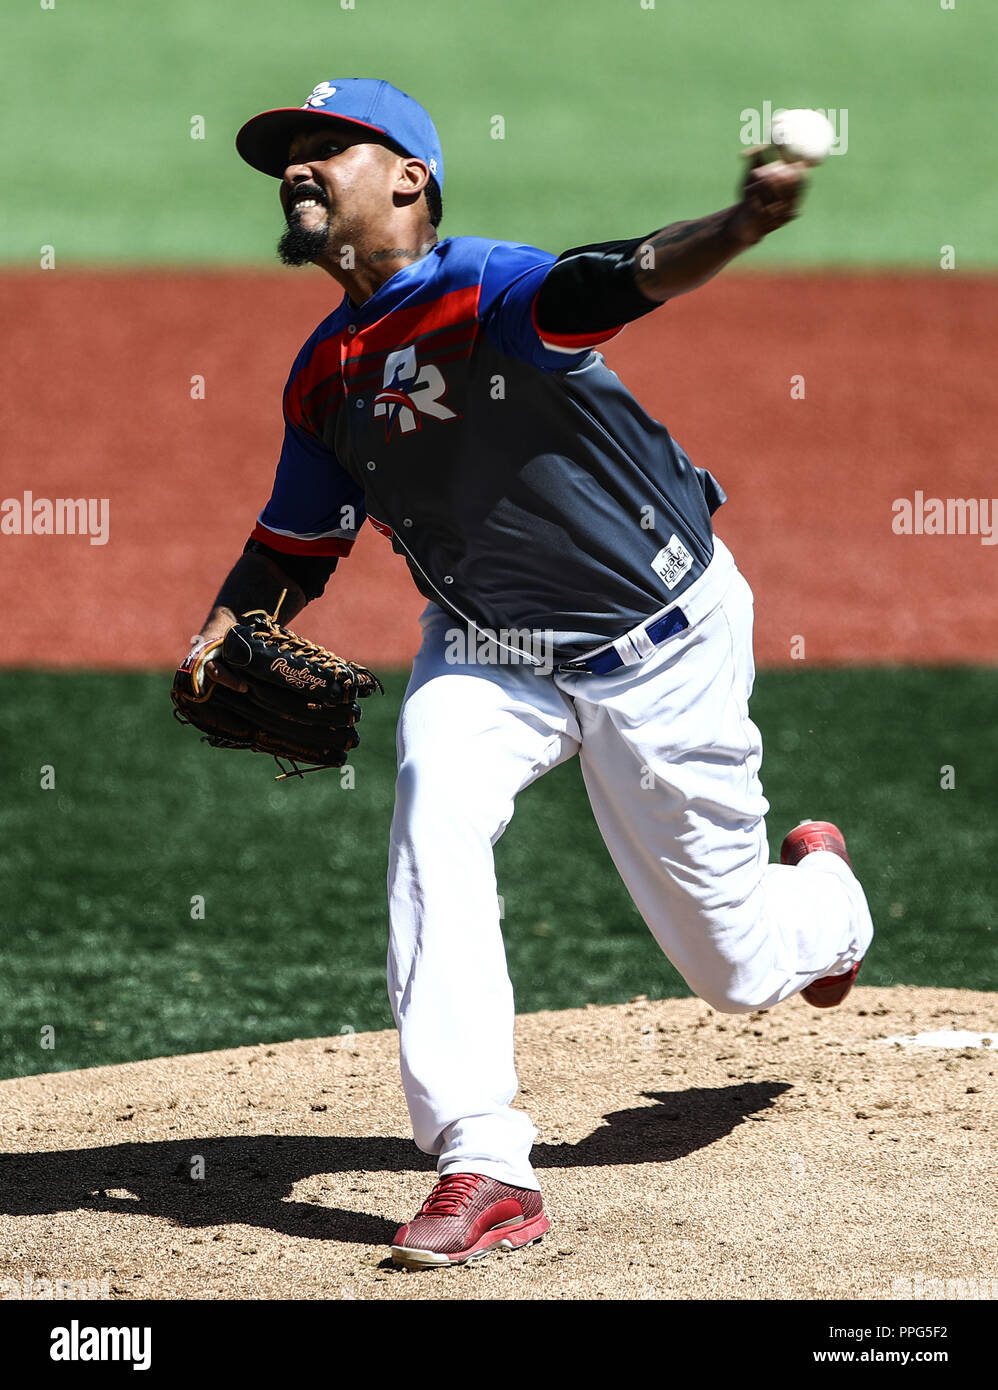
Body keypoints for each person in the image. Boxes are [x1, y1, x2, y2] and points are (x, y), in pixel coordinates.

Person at [188, 78, 875, 1270]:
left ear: (409, 176)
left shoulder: (483, 291)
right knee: (432, 800)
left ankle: (826, 901)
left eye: (324, 149)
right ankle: (483, 1162)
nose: (296, 168)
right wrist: (218, 634)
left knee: (738, 968)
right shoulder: (320, 374)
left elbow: (615, 277)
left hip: (659, 642)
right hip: (488, 649)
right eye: (284, 157)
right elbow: (295, 543)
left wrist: (739, 225)